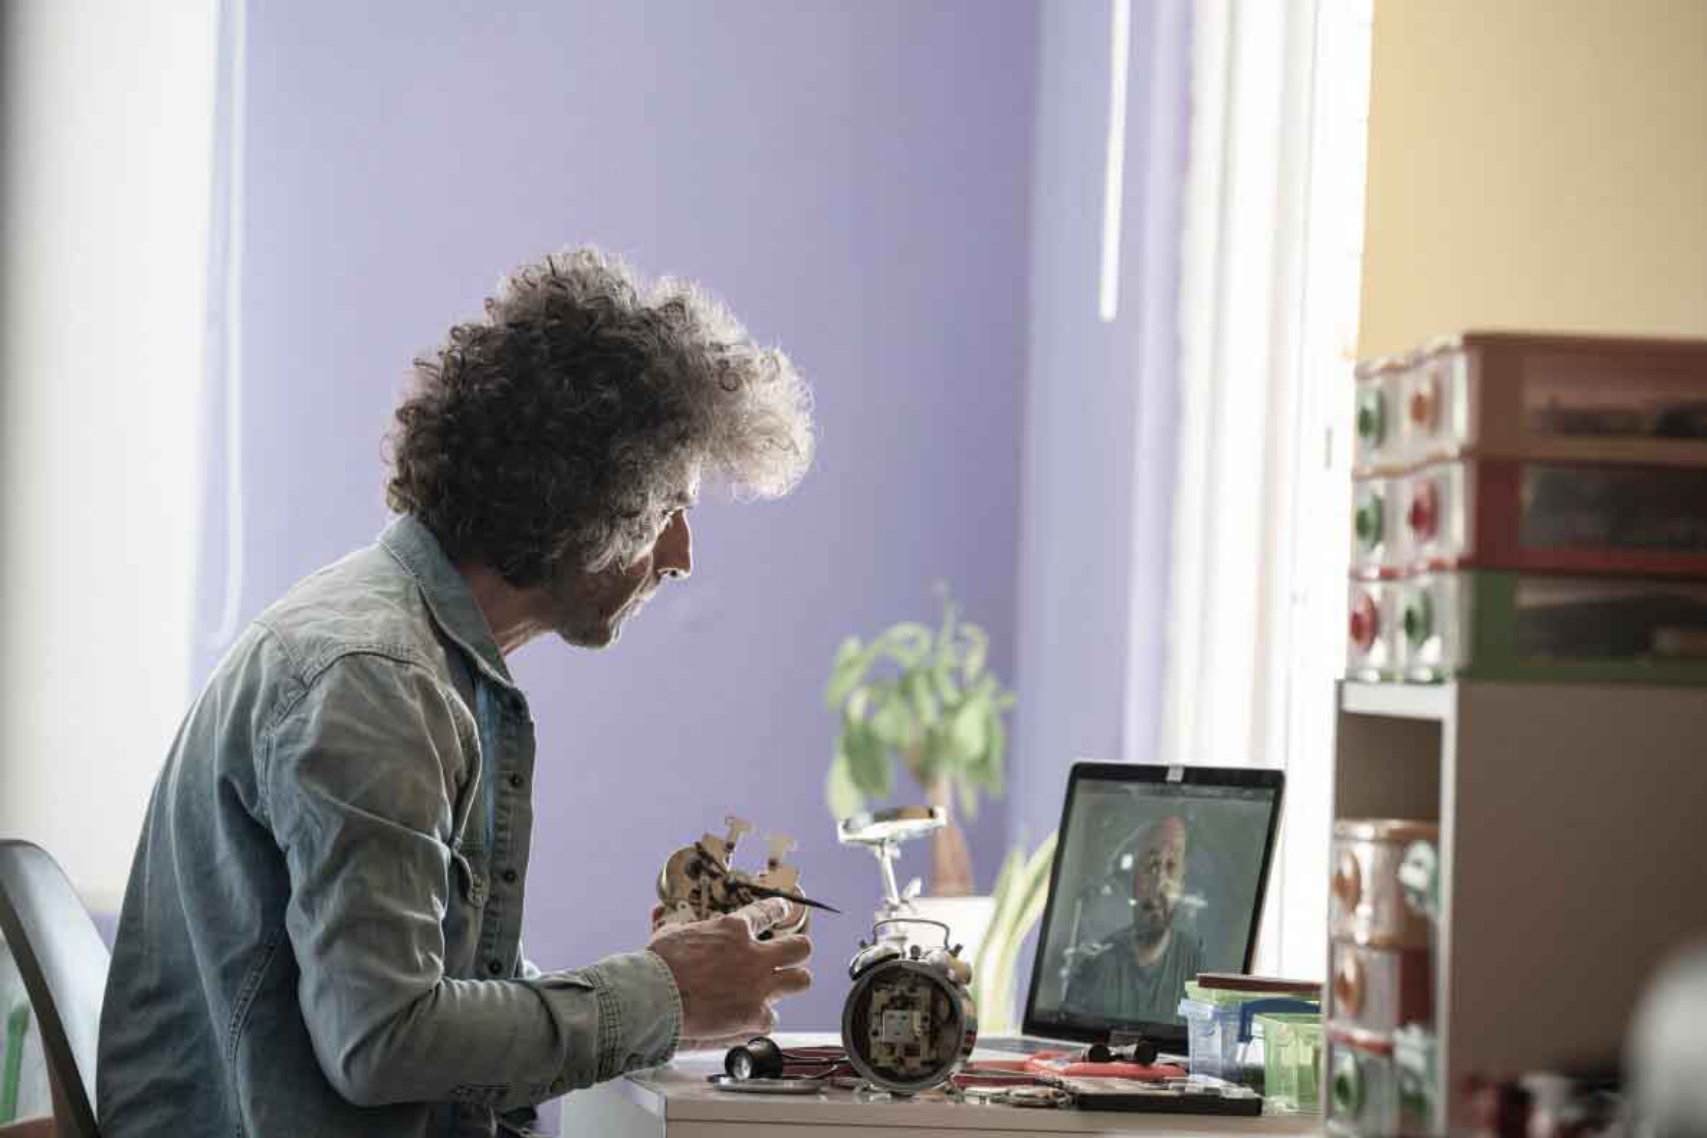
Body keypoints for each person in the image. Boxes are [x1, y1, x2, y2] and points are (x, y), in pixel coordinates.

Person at [96, 248, 817, 1137]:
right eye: (669, 505)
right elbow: (385, 1042)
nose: (680, 554)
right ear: (588, 497)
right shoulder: (377, 683)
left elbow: (425, 1015)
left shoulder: (413, 659)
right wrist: (663, 992)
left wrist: (665, 988)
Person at [1061, 816, 1204, 1025]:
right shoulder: (1098, 962)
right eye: (1152, 864)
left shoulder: (1195, 965)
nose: (1159, 882)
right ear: (1133, 875)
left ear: (1182, 882)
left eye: (1171, 866)